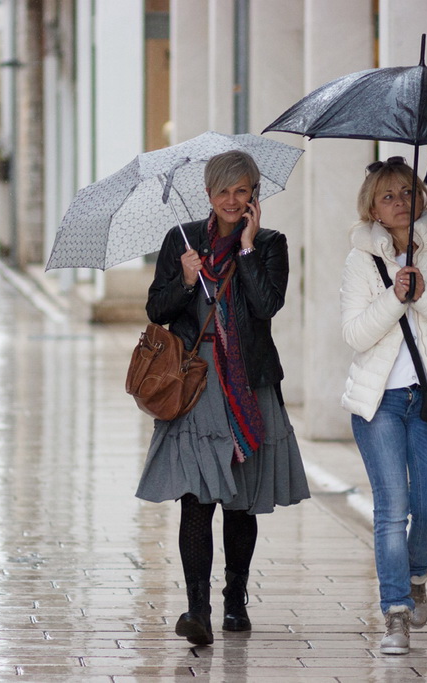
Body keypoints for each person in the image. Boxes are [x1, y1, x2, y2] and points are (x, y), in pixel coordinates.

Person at [136, 150, 310, 646]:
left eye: (243, 191)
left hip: (248, 382)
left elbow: (266, 306)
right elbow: (157, 308)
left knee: (239, 501)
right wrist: (186, 279)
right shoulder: (182, 241)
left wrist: (249, 248)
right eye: (224, 192)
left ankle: (235, 598)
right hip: (196, 384)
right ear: (209, 196)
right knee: (196, 501)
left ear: (255, 195)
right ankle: (197, 610)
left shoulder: (271, 244)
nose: (233, 200)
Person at [339, 156, 427, 655]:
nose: (400, 202)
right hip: (379, 402)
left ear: (419, 195)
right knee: (391, 509)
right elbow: (355, 333)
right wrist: (393, 296)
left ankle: (417, 573)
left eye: (406, 192)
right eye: (388, 196)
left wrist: (421, 293)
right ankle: (395, 612)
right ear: (373, 209)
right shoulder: (361, 260)